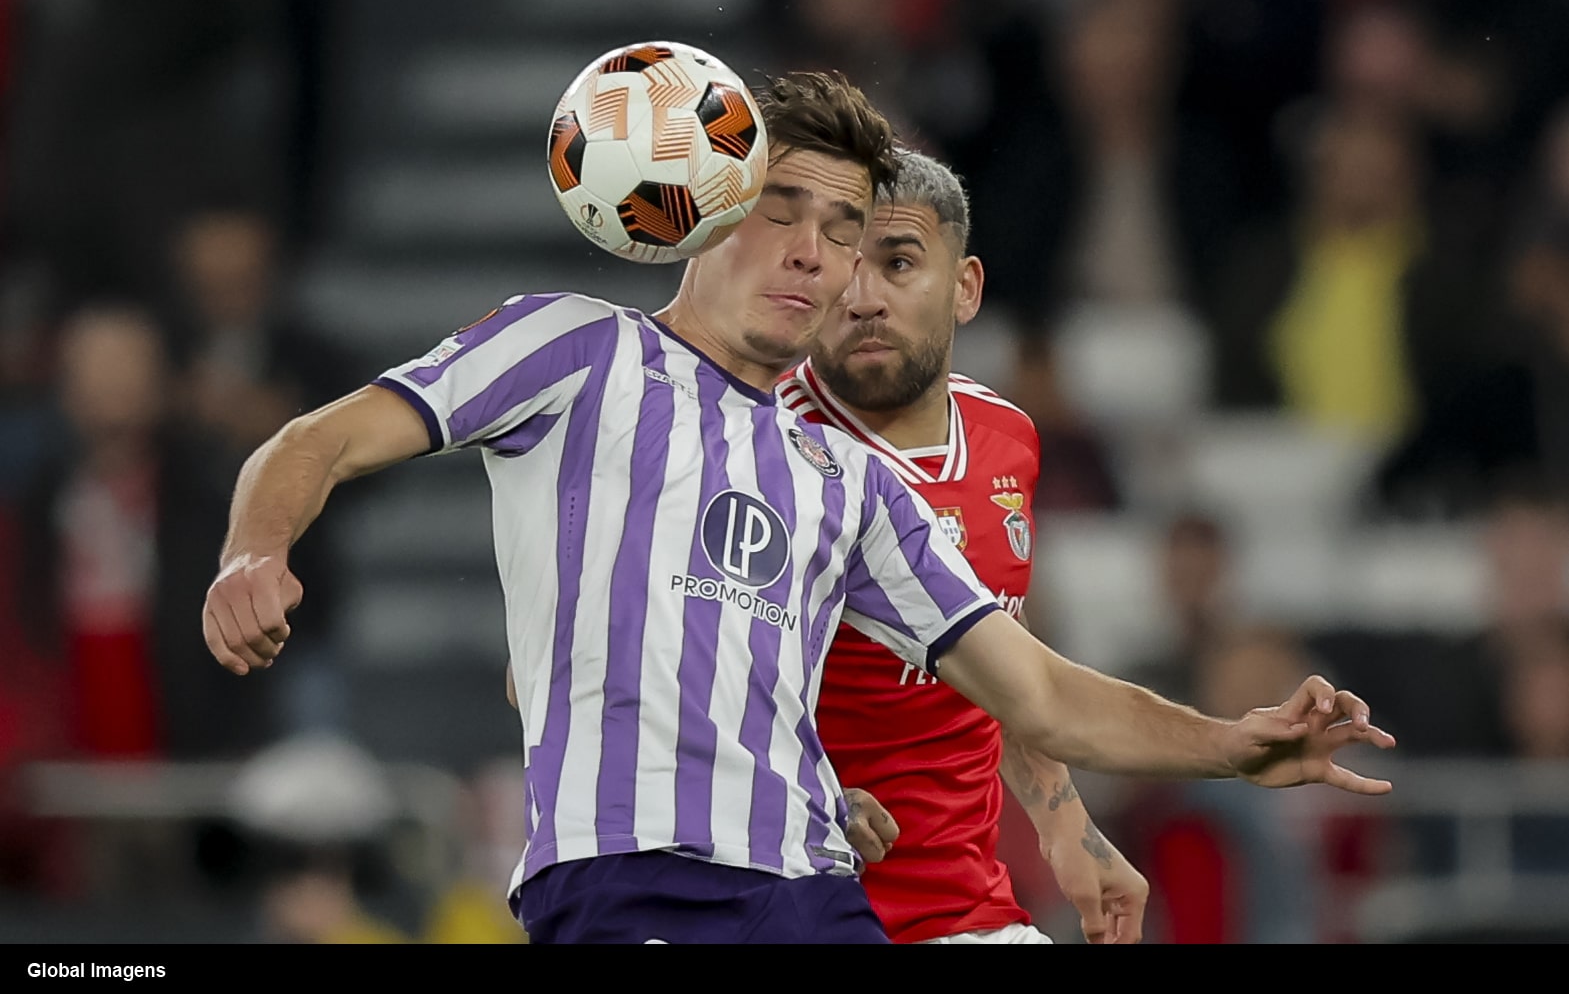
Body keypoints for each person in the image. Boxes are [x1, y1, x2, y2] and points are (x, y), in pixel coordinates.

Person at [202, 70, 1395, 945]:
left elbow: (1034, 691)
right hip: (632, 882)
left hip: (814, 898)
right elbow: (319, 439)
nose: (816, 254)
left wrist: (1235, 745)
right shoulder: (572, 352)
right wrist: (254, 548)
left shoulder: (848, 479)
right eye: (785, 209)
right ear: (704, 206)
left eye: (845, 229)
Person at [779, 148, 1147, 944]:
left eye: (899, 261)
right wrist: (793, 790)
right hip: (786, 910)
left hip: (962, 914)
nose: (863, 298)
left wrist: (1066, 828)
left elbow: (996, 669)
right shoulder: (745, 445)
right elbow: (592, 680)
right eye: (842, 264)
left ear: (965, 287)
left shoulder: (1006, 439)